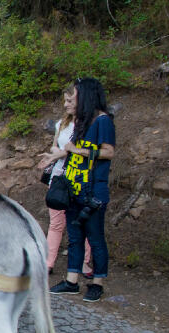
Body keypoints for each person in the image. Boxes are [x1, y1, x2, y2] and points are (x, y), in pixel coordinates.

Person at [49, 77, 115, 302]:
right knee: (75, 238)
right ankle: (71, 281)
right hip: (73, 188)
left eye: (75, 94)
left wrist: (78, 151)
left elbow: (108, 152)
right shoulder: (81, 121)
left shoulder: (102, 121)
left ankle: (97, 283)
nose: (72, 98)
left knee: (95, 239)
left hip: (93, 191)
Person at [37, 86, 93, 276]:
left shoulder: (90, 125)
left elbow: (86, 151)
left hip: (79, 178)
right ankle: (48, 262)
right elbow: (55, 147)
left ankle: (84, 262)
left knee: (80, 222)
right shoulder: (61, 123)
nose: (65, 104)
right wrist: (51, 156)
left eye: (70, 101)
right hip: (59, 178)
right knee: (56, 222)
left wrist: (61, 153)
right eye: (65, 100)